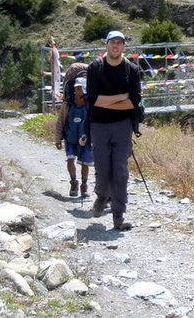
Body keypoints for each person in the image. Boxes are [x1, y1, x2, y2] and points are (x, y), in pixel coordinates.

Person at [86, 31, 142, 231]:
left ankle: (118, 214)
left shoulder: (132, 70)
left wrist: (106, 102)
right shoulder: (95, 67)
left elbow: (133, 102)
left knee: (120, 170)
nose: (116, 46)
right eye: (112, 43)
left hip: (122, 126)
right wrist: (121, 98)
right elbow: (93, 99)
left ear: (124, 47)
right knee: (102, 167)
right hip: (99, 125)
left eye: (120, 43)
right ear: (106, 45)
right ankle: (102, 195)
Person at [55, 63, 92, 198]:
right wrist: (58, 138)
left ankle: (84, 185)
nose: (79, 91)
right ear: (74, 90)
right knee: (70, 159)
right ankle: (73, 183)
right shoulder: (67, 105)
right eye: (77, 88)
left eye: (81, 88)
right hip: (70, 138)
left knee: (85, 163)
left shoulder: (90, 106)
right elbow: (60, 122)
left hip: (86, 138)